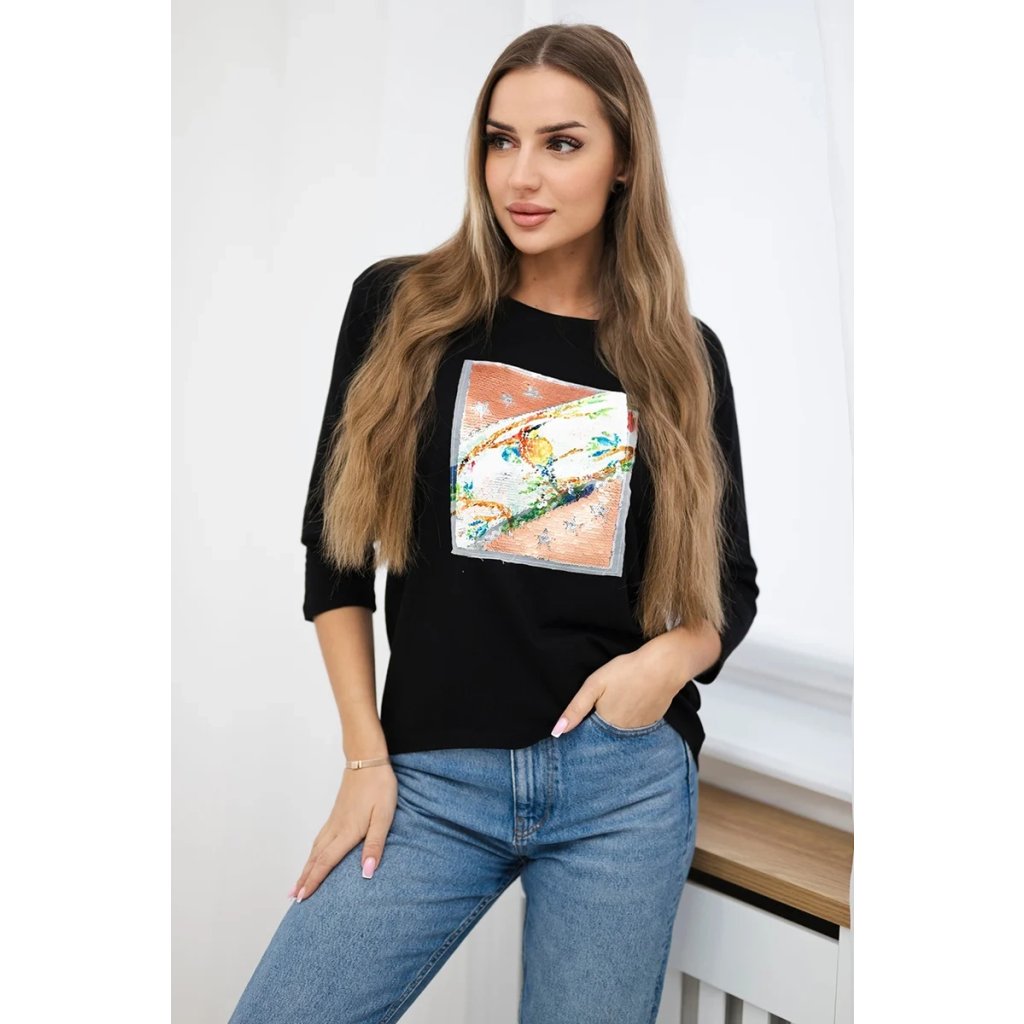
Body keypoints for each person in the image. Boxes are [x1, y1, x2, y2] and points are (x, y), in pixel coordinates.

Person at [228, 21, 758, 1024]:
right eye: (500, 139)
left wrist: (661, 665)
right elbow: (334, 556)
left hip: (618, 785)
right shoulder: (401, 305)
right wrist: (364, 756)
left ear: (623, 163)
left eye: (561, 143)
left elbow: (728, 589)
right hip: (432, 777)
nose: (522, 174)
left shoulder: (683, 357)